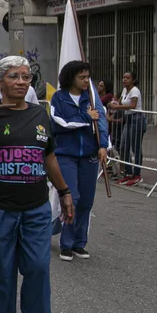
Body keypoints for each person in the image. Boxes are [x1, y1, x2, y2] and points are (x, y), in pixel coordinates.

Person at [0, 57, 74, 313]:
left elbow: (50, 158)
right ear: (0, 81)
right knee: (1, 276)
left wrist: (64, 192)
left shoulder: (40, 115)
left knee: (37, 270)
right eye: (13, 76)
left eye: (26, 76)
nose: (21, 81)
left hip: (35, 209)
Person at [50, 61, 108, 261]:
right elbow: (60, 123)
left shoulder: (91, 98)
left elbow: (101, 121)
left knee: (86, 201)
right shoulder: (58, 98)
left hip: (89, 155)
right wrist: (85, 116)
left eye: (87, 77)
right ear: (71, 77)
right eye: (81, 77)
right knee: (71, 198)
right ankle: (66, 243)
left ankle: (79, 243)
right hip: (66, 155)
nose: (86, 81)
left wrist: (103, 145)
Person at [107, 71, 146, 186]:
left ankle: (137, 174)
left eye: (127, 78)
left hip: (136, 119)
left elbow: (133, 105)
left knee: (136, 147)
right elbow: (118, 103)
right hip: (128, 119)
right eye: (123, 77)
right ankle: (128, 172)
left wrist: (117, 106)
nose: (124, 80)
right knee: (123, 147)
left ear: (133, 80)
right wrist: (113, 105)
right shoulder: (124, 90)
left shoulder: (135, 90)